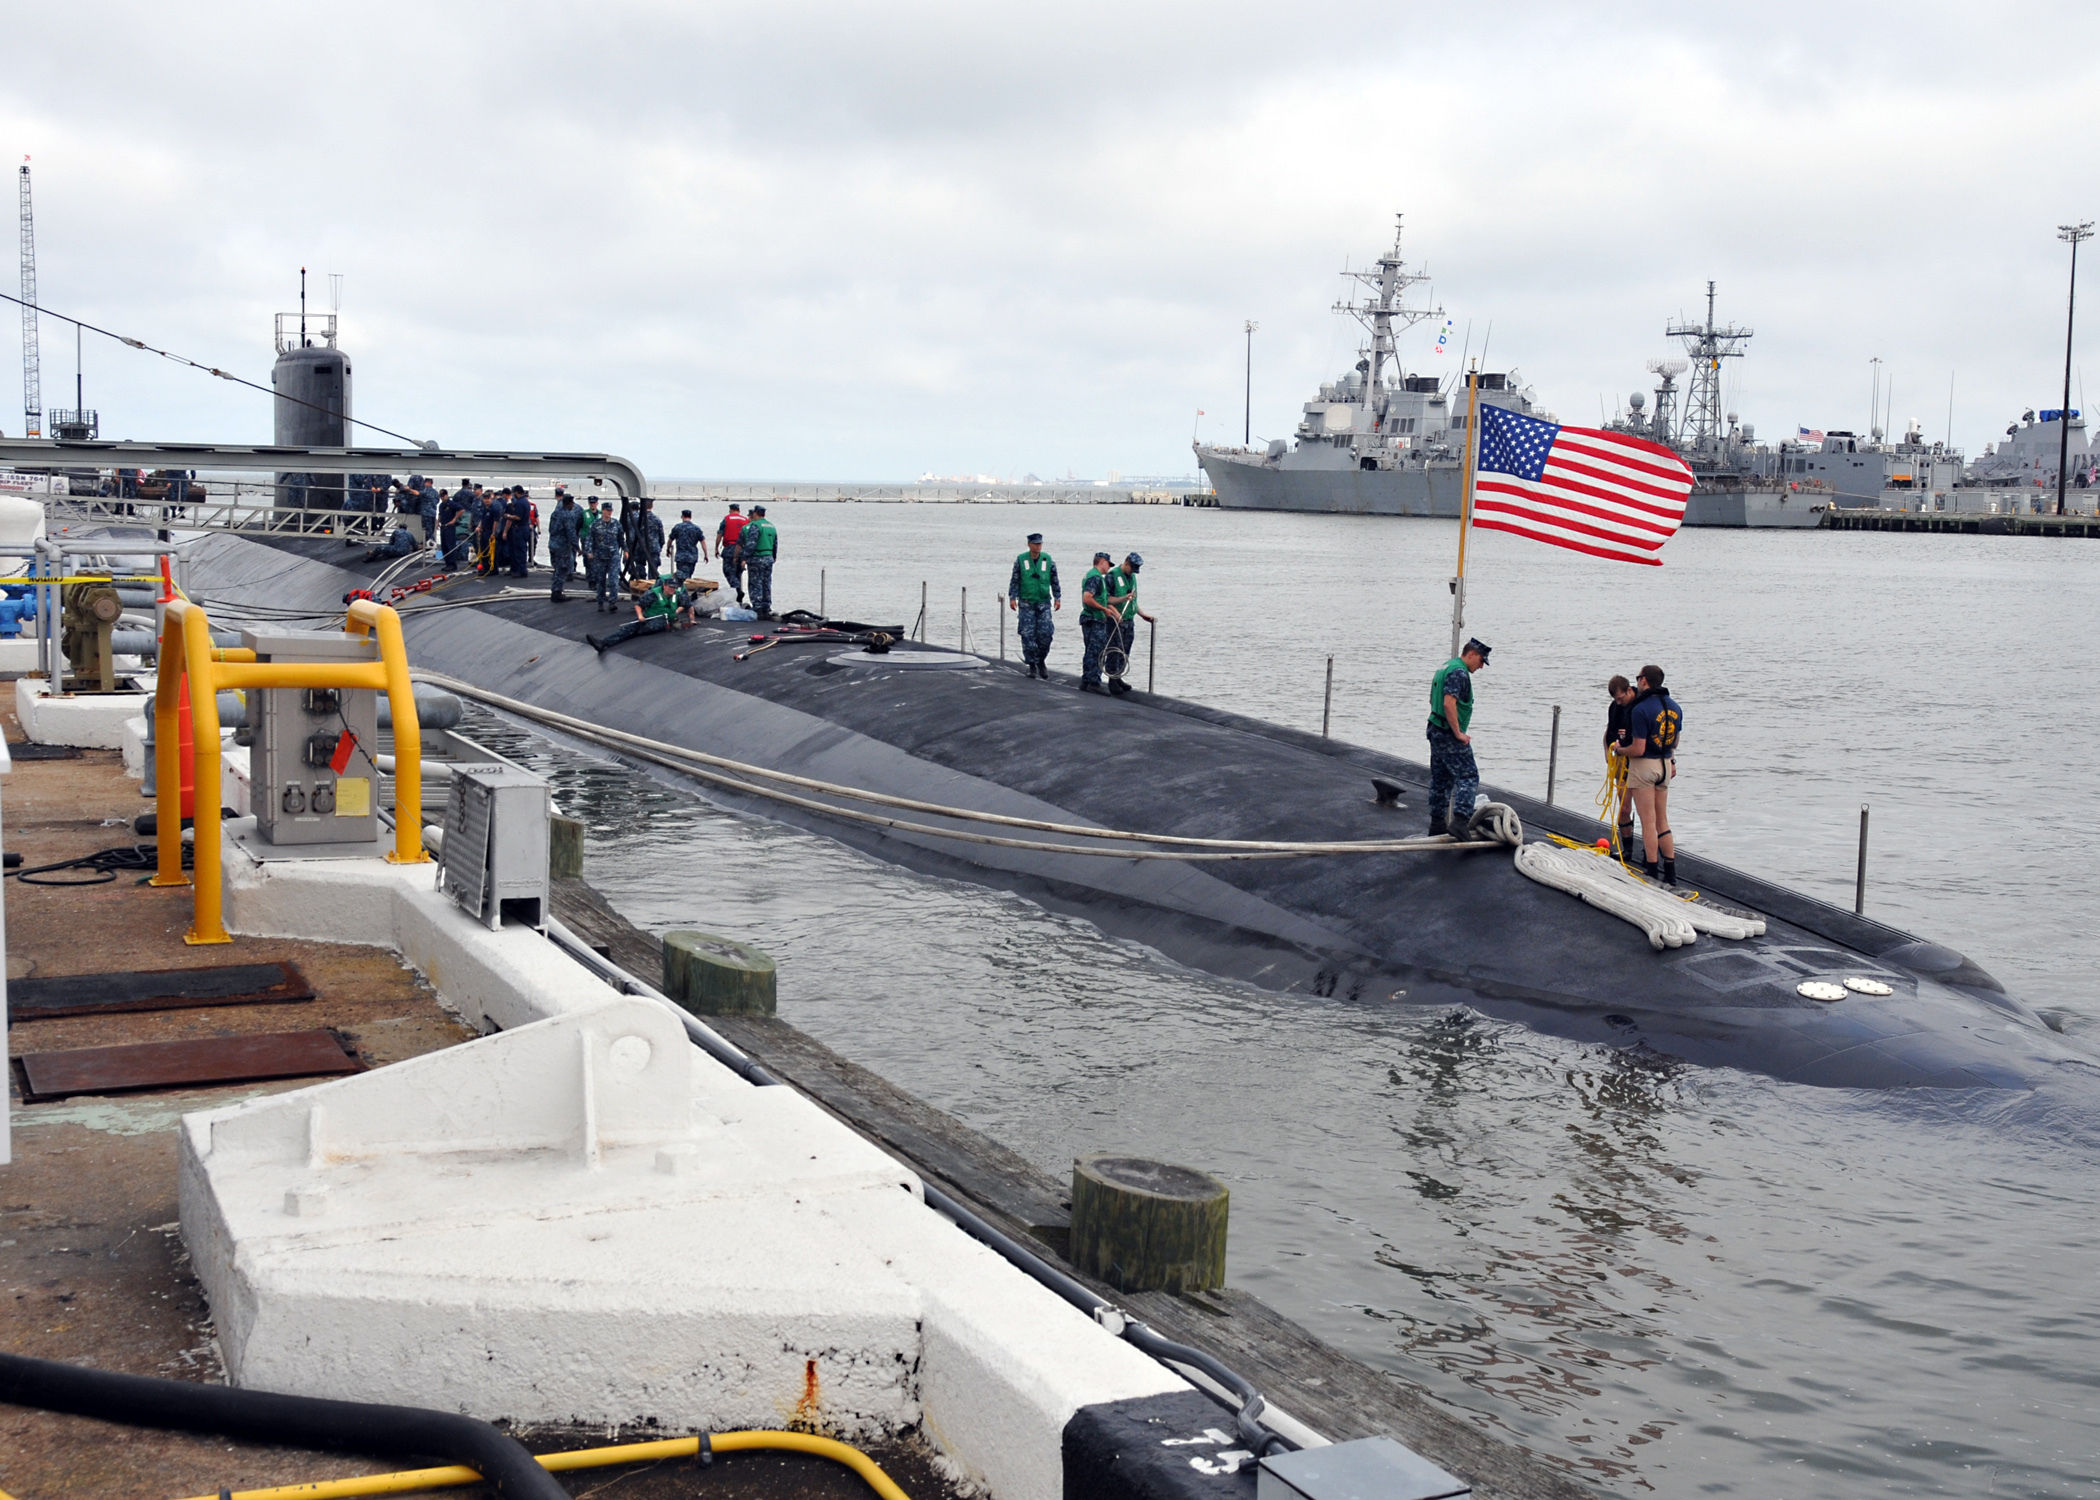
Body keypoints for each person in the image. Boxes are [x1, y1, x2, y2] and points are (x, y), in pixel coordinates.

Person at [1615, 664, 1683, 883]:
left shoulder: (1640, 709)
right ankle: (1670, 871)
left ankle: (1652, 869)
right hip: (1665, 764)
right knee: (1662, 820)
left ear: (1644, 680)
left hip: (1645, 766)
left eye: (1638, 678)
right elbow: (1675, 742)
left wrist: (1619, 750)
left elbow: (1638, 748)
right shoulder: (1675, 707)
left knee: (1648, 821)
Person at [1425, 638, 1491, 837]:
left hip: (1435, 729)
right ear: (1471, 654)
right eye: (1481, 661)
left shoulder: (1446, 667)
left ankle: (1437, 824)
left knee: (1441, 778)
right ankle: (1461, 821)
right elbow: (1448, 703)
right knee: (1469, 776)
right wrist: (1457, 733)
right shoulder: (1459, 673)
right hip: (1448, 733)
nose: (1481, 666)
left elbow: (1432, 699)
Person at [587, 570, 690, 653]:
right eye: (671, 587)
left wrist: (688, 617)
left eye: (674, 587)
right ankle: (604, 643)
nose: (672, 589)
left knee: (651, 627)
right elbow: (639, 605)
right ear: (665, 586)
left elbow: (688, 605)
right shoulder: (653, 594)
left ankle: (636, 632)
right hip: (648, 616)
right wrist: (640, 616)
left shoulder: (678, 595)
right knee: (629, 628)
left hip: (663, 619)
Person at [1007, 532, 1061, 679]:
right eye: (1035, 544)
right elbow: (1015, 580)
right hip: (1026, 602)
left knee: (1046, 634)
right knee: (1027, 635)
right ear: (1029, 544)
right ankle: (1031, 664)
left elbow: (1054, 580)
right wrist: (1012, 597)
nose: (1038, 546)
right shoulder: (1021, 560)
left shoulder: (1047, 560)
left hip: (1043, 602)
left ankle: (1041, 660)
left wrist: (1057, 597)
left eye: (1040, 544)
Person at [1104, 552, 1153, 697]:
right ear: (1126, 563)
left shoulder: (1132, 578)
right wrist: (1115, 613)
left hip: (1128, 620)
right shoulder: (1112, 576)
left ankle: (1118, 675)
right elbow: (1105, 599)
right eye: (1132, 568)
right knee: (1115, 650)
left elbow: (1132, 601)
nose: (1133, 572)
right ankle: (1112, 679)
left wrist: (1142, 614)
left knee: (1125, 650)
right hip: (1115, 620)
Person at [1604, 674, 1637, 853]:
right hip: (1621, 759)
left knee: (1645, 810)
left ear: (1629, 690)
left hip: (1638, 760)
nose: (1619, 702)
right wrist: (1607, 753)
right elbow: (1608, 731)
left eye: (1621, 698)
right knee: (1624, 808)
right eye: (1616, 699)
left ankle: (1650, 852)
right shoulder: (1615, 707)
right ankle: (1627, 849)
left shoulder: (1639, 706)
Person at [1078, 551, 1116, 694]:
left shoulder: (1091, 575)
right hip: (1094, 619)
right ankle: (1094, 681)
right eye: (1108, 564)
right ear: (1103, 562)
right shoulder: (1096, 577)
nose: (1109, 568)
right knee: (1097, 651)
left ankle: (1086, 680)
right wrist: (1103, 609)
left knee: (1090, 650)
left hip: (1091, 618)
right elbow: (1087, 598)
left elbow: (1101, 598)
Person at [742, 504, 778, 618]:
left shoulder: (755, 526)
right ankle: (766, 606)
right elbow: (775, 543)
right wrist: (774, 556)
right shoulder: (771, 526)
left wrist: (744, 557)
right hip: (769, 557)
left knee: (755, 582)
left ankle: (757, 608)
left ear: (755, 514)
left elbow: (751, 544)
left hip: (757, 558)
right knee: (766, 582)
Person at [546, 492, 582, 602]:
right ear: (569, 503)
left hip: (553, 543)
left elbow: (550, 528)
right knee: (561, 569)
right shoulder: (567, 515)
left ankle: (555, 590)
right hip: (562, 546)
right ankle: (557, 592)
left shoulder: (555, 513)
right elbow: (571, 533)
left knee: (557, 568)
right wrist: (577, 547)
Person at [590, 500, 623, 611]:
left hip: (613, 556)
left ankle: (612, 602)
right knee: (601, 581)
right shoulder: (595, 524)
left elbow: (621, 538)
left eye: (611, 510)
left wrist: (625, 550)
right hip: (600, 556)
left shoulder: (616, 524)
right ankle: (600, 602)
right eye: (607, 510)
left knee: (614, 580)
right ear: (603, 510)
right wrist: (589, 551)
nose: (609, 512)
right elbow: (590, 539)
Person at [716, 503, 749, 603]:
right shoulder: (746, 520)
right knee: (738, 573)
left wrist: (716, 547)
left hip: (730, 548)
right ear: (739, 510)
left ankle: (737, 590)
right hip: (743, 549)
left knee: (728, 571)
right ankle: (737, 598)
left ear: (730, 510)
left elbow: (720, 534)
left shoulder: (727, 519)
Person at [668, 509, 708, 581]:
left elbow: (670, 540)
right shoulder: (696, 528)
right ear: (690, 517)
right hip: (692, 557)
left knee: (681, 577)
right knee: (688, 576)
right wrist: (706, 554)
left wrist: (668, 549)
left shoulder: (677, 527)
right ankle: (687, 586)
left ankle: (683, 587)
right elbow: (703, 542)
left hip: (681, 557)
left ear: (682, 516)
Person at [505, 486, 534, 577]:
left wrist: (508, 516)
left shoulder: (520, 503)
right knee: (522, 550)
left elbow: (518, 517)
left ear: (517, 492)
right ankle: (520, 569)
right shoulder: (526, 502)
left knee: (519, 551)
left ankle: (521, 571)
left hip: (520, 528)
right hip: (525, 527)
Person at [439, 487, 469, 571]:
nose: (442, 498)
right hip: (443, 526)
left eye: (443, 496)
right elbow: (440, 514)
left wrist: (454, 519)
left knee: (450, 546)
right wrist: (437, 523)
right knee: (444, 546)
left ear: (447, 495)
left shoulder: (451, 504)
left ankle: (452, 564)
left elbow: (461, 510)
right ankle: (447, 563)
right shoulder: (441, 505)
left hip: (449, 527)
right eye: (441, 496)